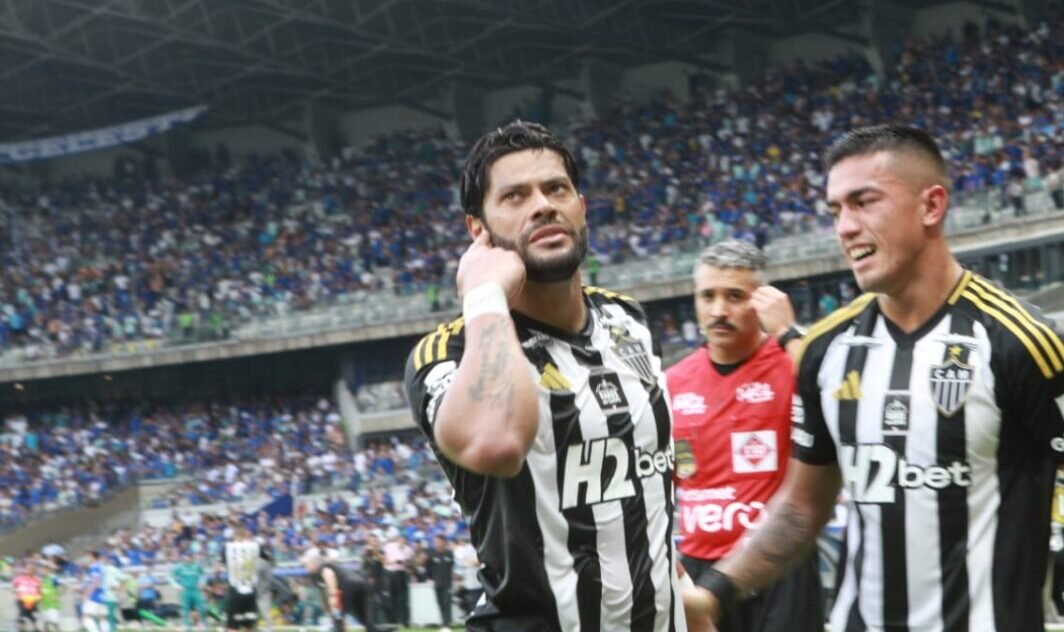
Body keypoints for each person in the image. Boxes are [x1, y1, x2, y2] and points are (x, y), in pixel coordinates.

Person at [686, 125, 1064, 632]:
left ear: (931, 206)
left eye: (863, 202)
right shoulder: (827, 348)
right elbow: (803, 505)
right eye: (836, 210)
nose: (844, 226)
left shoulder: (1019, 343)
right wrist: (715, 592)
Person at [405, 120, 691, 630]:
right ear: (479, 231)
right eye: (514, 196)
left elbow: (645, 495)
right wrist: (485, 296)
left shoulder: (629, 321)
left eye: (555, 188)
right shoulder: (448, 353)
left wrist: (684, 598)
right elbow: (496, 442)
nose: (542, 204)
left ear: (580, 205)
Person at [666, 239, 821, 632]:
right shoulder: (671, 383)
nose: (719, 310)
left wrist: (788, 331)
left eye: (735, 296)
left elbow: (835, 399)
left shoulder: (792, 364)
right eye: (708, 296)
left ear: (761, 301)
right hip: (700, 572)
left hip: (779, 571)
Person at [300, 547, 377, 632]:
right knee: (363, 617)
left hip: (348, 585)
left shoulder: (322, 567)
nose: (306, 567)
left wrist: (333, 596)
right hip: (361, 584)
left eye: (306, 564)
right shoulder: (319, 570)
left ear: (314, 562)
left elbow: (329, 575)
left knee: (338, 615)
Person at [223, 524, 263, 631]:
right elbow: (267, 563)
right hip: (251, 590)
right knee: (250, 624)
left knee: (232, 625)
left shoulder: (228, 548)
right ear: (247, 535)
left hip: (235, 590)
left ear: (235, 536)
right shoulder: (256, 547)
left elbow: (218, 567)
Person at [381, 531, 412, 626]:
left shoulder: (408, 549)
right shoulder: (389, 546)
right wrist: (392, 562)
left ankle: (404, 621)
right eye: (401, 539)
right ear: (398, 539)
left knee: (403, 598)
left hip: (401, 573)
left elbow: (407, 563)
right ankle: (392, 620)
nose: (402, 541)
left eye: (404, 539)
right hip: (390, 573)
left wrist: (402, 562)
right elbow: (384, 559)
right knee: (391, 598)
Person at [171, 550, 208, 631]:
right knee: (185, 609)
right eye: (187, 556)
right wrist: (177, 586)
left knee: (202, 608)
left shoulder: (197, 566)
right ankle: (187, 627)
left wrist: (202, 583)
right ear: (184, 557)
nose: (188, 558)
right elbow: (170, 577)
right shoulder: (179, 567)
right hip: (185, 591)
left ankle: (204, 625)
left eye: (190, 556)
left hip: (195, 590)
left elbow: (204, 574)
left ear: (192, 557)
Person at [427, 535, 455, 630]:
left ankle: (446, 624)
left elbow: (452, 567)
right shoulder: (432, 554)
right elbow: (428, 568)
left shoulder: (449, 553)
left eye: (439, 541)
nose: (437, 543)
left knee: (446, 602)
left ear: (444, 542)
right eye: (436, 541)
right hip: (437, 583)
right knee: (440, 603)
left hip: (447, 583)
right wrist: (430, 579)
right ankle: (443, 623)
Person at [81, 551, 109, 632]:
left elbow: (96, 581)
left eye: (88, 556)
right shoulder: (103, 567)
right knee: (103, 618)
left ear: (92, 557)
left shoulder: (94, 567)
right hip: (103, 594)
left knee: (86, 617)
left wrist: (87, 594)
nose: (87, 558)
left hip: (94, 595)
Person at [13, 560, 42, 632]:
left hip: (33, 600)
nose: (30, 571)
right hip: (21, 599)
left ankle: (32, 628)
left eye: (32, 570)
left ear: (34, 571)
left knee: (31, 614)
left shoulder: (37, 580)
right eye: (28, 569)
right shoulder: (19, 578)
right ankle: (23, 628)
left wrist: (38, 597)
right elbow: (14, 587)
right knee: (23, 612)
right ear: (25, 569)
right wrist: (16, 591)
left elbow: (39, 590)